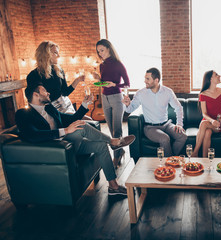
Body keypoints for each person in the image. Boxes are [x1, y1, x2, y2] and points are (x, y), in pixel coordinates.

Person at [15, 83, 136, 196]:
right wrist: (66, 131)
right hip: (55, 150)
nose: (48, 93)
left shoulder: (49, 109)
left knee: (100, 145)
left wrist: (84, 104)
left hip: (69, 145)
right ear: (35, 95)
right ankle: (113, 141)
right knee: (81, 127)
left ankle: (113, 187)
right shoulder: (23, 114)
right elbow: (33, 135)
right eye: (44, 91)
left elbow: (71, 118)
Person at [122, 67, 187, 157]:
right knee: (165, 138)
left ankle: (172, 159)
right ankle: (170, 165)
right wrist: (127, 104)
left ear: (156, 80)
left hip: (166, 124)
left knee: (183, 136)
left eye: (147, 79)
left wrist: (179, 124)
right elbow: (129, 109)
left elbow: (178, 108)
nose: (145, 81)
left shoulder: (168, 92)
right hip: (150, 128)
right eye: (145, 78)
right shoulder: (140, 93)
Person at [92, 39, 130, 169]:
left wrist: (115, 84)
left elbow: (127, 83)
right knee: (111, 129)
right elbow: (104, 81)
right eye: (98, 51)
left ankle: (116, 157)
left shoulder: (118, 64)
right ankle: (120, 150)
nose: (100, 53)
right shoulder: (102, 65)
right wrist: (98, 79)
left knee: (117, 129)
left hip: (116, 97)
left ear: (109, 48)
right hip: (104, 97)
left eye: (102, 50)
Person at [27, 41, 86, 115]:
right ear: (46, 54)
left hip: (66, 104)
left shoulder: (59, 70)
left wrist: (78, 80)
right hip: (53, 109)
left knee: (88, 120)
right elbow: (36, 100)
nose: (59, 56)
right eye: (55, 52)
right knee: (83, 122)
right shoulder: (34, 75)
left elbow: (65, 92)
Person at [191, 70, 221, 157]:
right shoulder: (203, 94)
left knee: (204, 124)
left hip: (219, 124)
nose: (219, 76)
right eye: (216, 75)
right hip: (209, 122)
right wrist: (212, 121)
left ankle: (195, 152)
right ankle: (205, 159)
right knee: (207, 132)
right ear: (211, 79)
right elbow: (204, 114)